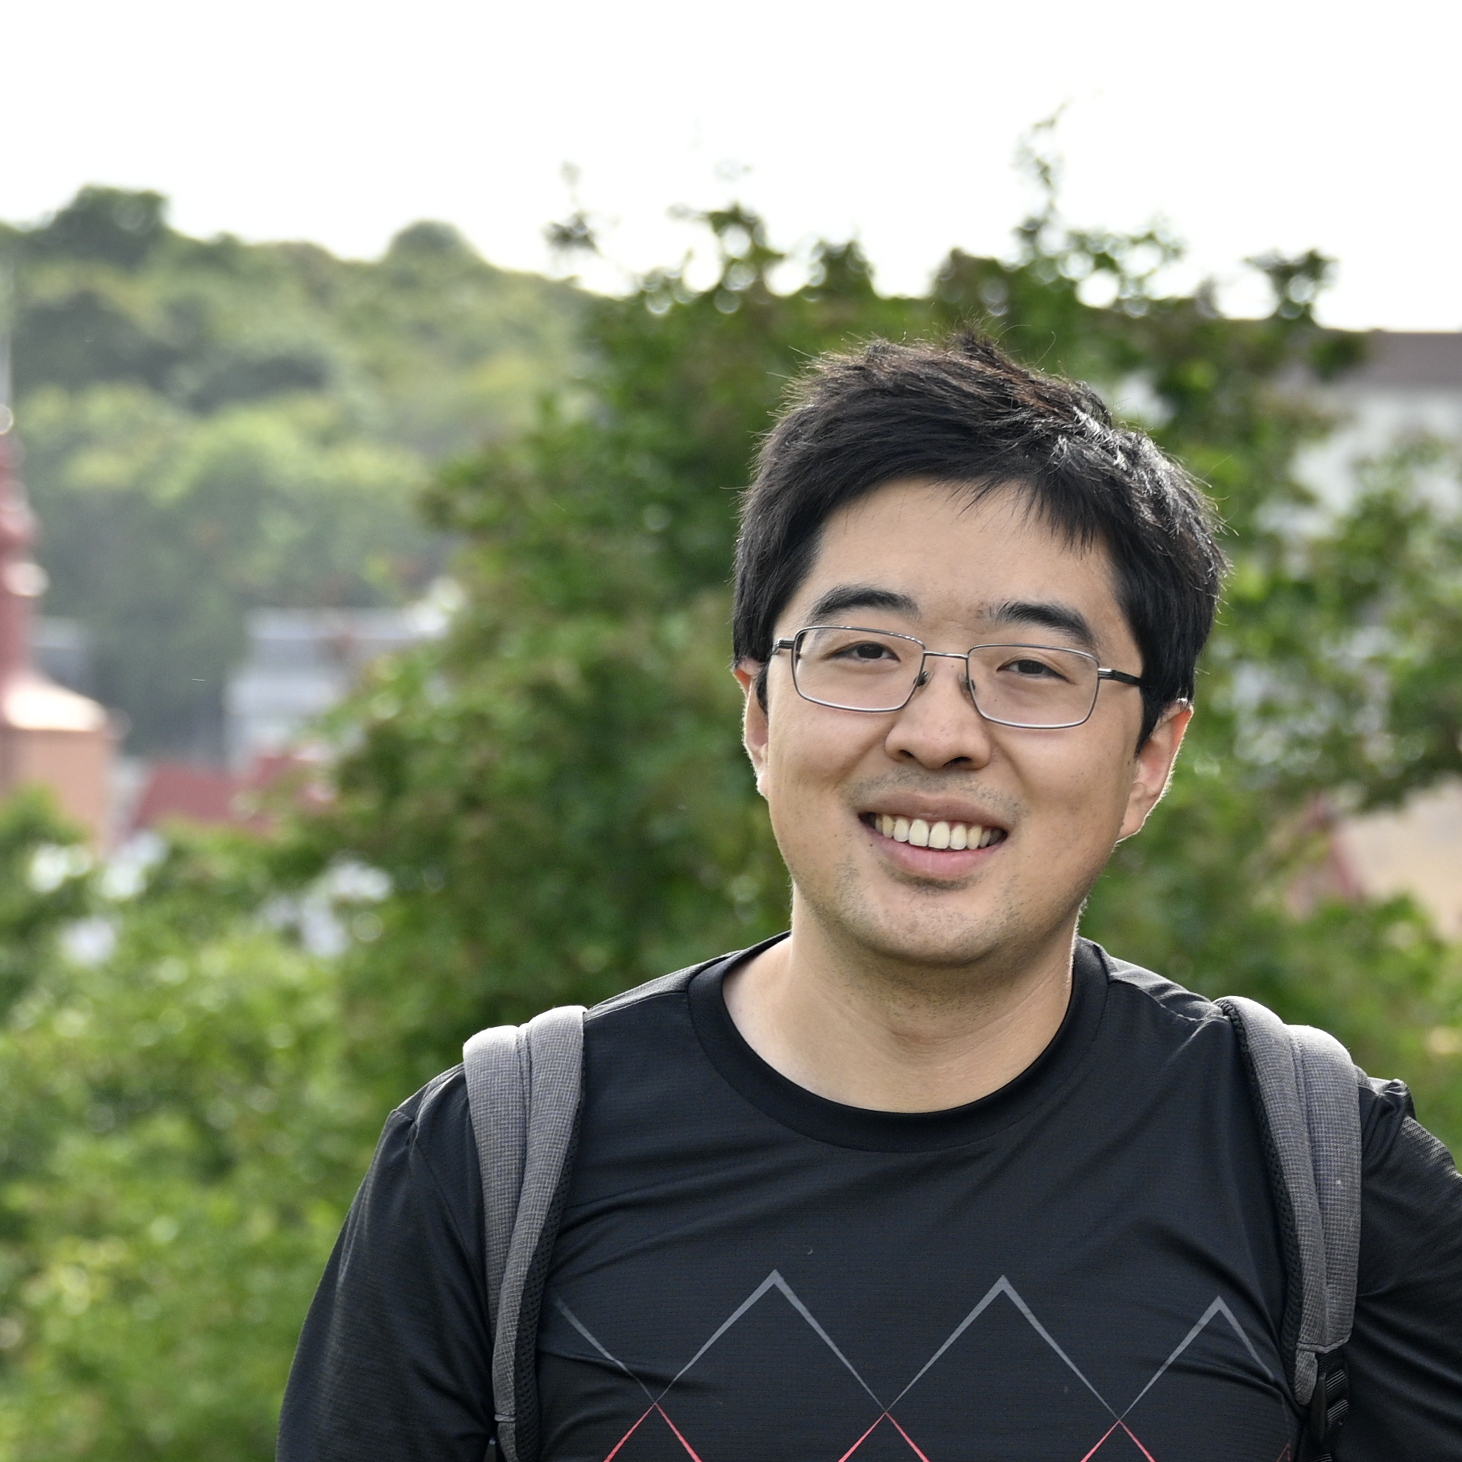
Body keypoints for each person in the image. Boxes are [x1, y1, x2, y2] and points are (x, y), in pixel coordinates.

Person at [279, 336, 1462, 1461]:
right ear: (756, 710)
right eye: (862, 652)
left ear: (1151, 755)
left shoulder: (1311, 1171)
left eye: (1030, 670)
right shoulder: (496, 1166)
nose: (939, 733)